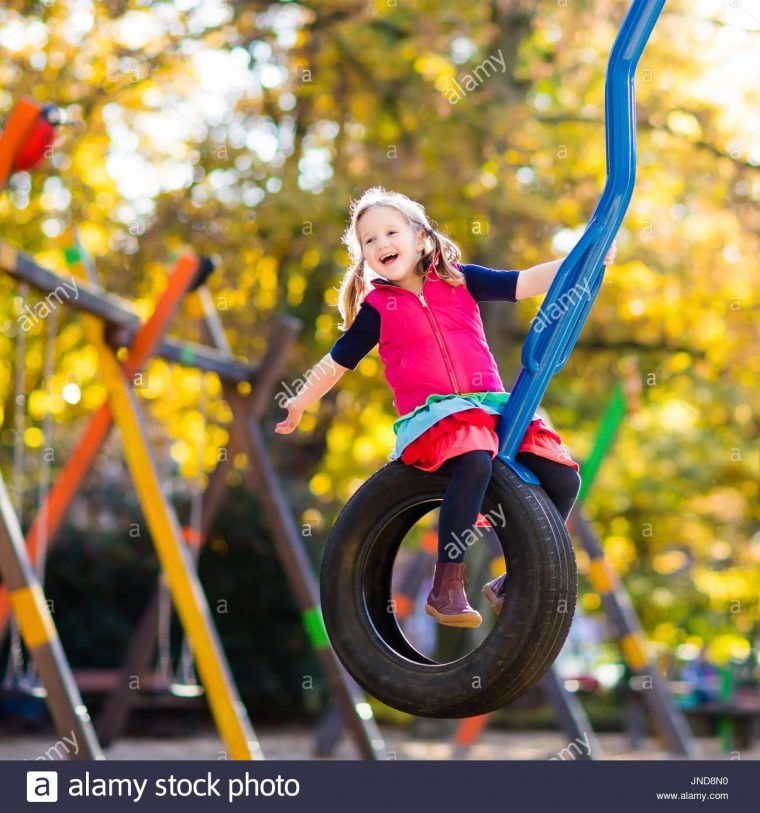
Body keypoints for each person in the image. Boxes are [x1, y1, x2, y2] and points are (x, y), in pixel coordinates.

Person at [275, 187, 617, 628]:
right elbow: (338, 361)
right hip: (435, 415)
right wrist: (300, 402)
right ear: (363, 256)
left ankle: (511, 582)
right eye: (369, 241)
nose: (381, 244)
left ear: (421, 238)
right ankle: (445, 585)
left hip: (490, 407)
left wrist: (584, 263)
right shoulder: (378, 307)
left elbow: (527, 281)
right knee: (475, 461)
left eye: (390, 232)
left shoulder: (460, 280)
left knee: (562, 475)